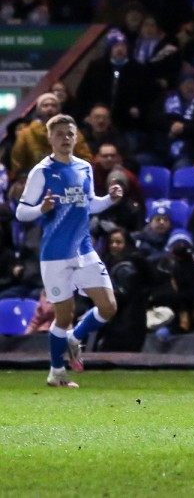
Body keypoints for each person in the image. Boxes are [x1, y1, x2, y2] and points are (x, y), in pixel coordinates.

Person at [14, 114, 124, 388]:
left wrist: (110, 199)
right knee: (63, 315)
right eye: (59, 133)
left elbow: (90, 205)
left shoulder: (85, 167)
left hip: (84, 250)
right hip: (55, 255)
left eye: (69, 133)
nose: (65, 138)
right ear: (50, 138)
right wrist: (42, 209)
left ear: (76, 138)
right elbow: (21, 212)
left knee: (108, 307)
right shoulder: (42, 171)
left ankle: (75, 337)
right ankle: (56, 371)